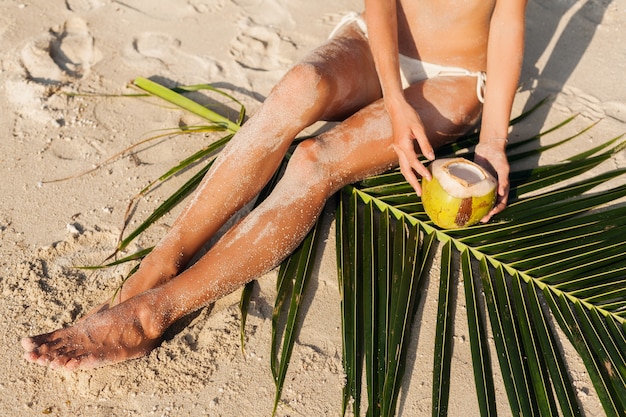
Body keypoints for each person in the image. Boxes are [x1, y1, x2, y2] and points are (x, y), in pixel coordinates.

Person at [22, 0, 526, 370]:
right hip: (378, 41)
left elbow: (506, 19)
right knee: (297, 87)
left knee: (315, 160)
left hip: (455, 75)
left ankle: (156, 311)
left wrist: (494, 141)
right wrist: (394, 101)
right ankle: (163, 257)